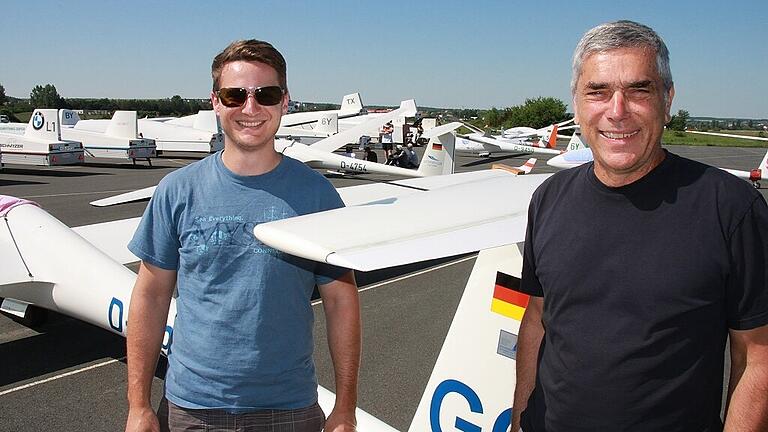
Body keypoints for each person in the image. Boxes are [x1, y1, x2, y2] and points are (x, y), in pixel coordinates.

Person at [512, 20, 768, 432]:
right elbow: (537, 318)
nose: (617, 111)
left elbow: (757, 356)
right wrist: (520, 418)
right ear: (577, 103)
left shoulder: (732, 209)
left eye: (638, 90)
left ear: (667, 100)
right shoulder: (548, 199)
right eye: (598, 91)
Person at [124, 40, 361, 432]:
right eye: (235, 95)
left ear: (285, 102)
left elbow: (341, 302)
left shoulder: (318, 195)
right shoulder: (177, 191)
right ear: (215, 102)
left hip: (289, 410)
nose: (250, 109)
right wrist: (138, 405)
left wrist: (346, 408)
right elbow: (149, 297)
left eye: (264, 94)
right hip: (190, 411)